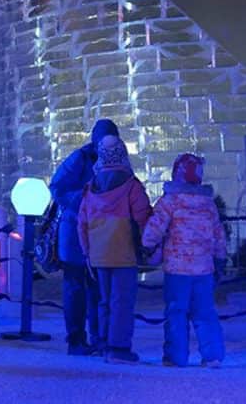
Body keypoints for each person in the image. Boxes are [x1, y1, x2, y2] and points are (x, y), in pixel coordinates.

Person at [141, 153, 227, 368]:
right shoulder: (208, 204)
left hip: (177, 269)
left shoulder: (170, 201)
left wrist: (147, 245)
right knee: (205, 313)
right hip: (204, 269)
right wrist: (220, 260)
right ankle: (213, 355)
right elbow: (219, 235)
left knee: (176, 313)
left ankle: (176, 356)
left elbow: (154, 229)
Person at [77, 134, 151, 364]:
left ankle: (103, 342)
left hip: (99, 253)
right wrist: (148, 245)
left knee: (105, 301)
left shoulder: (90, 188)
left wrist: (87, 252)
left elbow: (82, 223)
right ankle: (119, 348)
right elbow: (143, 217)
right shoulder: (131, 186)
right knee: (122, 301)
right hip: (124, 251)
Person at [49, 118, 118, 355]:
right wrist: (88, 198)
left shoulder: (114, 159)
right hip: (75, 233)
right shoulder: (80, 158)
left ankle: (98, 338)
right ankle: (76, 340)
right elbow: (57, 188)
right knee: (77, 287)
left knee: (97, 288)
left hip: (100, 232)